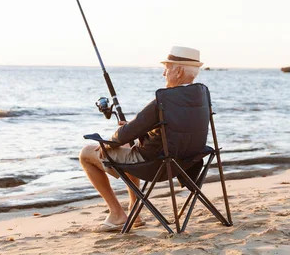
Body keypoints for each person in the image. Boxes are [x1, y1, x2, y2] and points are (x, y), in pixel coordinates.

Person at [79, 46, 204, 232]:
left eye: (167, 68)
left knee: (86, 153)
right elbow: (172, 128)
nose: (164, 73)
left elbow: (122, 136)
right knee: (130, 144)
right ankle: (134, 212)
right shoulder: (200, 97)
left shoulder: (164, 100)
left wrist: (108, 143)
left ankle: (117, 214)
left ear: (178, 71)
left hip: (156, 166)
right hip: (184, 162)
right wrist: (133, 131)